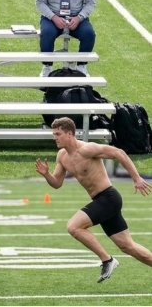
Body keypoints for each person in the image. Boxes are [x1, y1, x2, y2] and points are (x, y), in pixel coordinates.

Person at [35, 117, 152, 283]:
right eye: (54, 134)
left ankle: (107, 260)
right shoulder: (62, 156)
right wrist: (47, 174)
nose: (54, 138)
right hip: (102, 201)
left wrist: (136, 178)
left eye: (58, 134)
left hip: (108, 198)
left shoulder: (87, 149)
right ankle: (110, 260)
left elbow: (119, 153)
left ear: (69, 134)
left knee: (73, 227)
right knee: (128, 246)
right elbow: (57, 184)